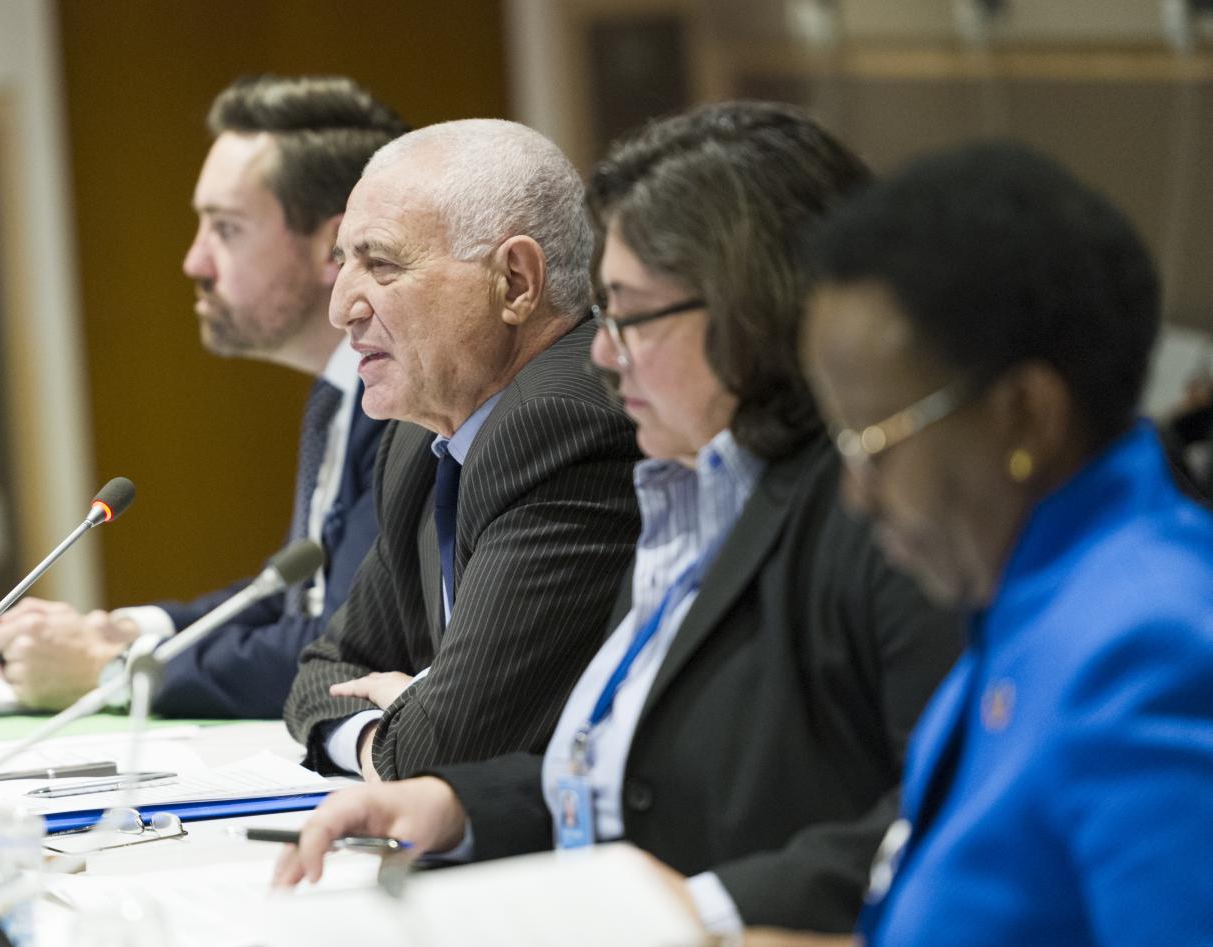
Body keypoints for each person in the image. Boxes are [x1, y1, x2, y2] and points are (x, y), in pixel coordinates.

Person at [274, 102, 962, 940]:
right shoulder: (694, 493)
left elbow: (948, 813)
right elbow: (637, 782)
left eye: (630, 315)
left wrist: (707, 911)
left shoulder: (883, 518)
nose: (602, 351)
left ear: (750, 310)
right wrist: (460, 806)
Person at [802, 141, 1213, 945]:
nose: (858, 495)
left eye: (875, 444)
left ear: (1026, 413)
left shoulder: (1149, 650)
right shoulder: (1034, 600)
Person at [0, 75, 408, 718]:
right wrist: (130, 629)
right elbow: (293, 595)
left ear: (334, 246)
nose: (194, 262)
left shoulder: (407, 407)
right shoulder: (336, 397)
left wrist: (110, 670)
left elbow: (343, 644)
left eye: (225, 229)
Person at [282, 119, 644, 782]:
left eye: (381, 264)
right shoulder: (419, 439)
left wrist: (404, 721)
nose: (341, 309)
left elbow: (439, 754)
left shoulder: (565, 426)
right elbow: (323, 672)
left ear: (515, 282)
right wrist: (388, 727)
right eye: (343, 263)